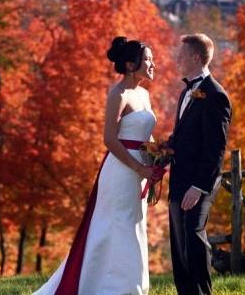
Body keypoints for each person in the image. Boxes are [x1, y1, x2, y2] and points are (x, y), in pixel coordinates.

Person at [33, 36, 159, 295]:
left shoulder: (145, 94)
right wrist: (139, 169)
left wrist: (158, 157)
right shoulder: (118, 94)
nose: (152, 64)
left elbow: (146, 136)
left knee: (135, 224)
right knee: (115, 225)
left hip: (142, 171)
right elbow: (110, 139)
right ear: (130, 64)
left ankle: (132, 285)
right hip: (121, 172)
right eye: (147, 59)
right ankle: (106, 286)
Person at [167, 33, 232, 295]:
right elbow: (186, 134)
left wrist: (198, 186)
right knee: (179, 245)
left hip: (198, 182)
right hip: (178, 178)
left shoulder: (216, 95)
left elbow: (216, 147)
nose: (176, 58)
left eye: (181, 55)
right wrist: (167, 147)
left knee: (194, 240)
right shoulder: (187, 90)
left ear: (195, 57)